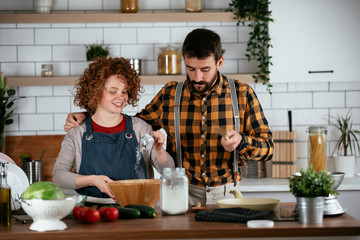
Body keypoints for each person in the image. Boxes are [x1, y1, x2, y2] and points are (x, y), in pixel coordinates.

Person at [64, 28, 274, 206]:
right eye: (190, 69)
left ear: (220, 62)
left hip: (228, 195)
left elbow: (268, 148)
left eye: (205, 69)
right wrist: (88, 117)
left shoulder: (242, 94)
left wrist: (241, 142)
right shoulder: (171, 94)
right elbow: (132, 123)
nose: (197, 77)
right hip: (181, 195)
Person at [53, 57, 174, 204]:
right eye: (113, 91)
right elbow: (59, 176)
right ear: (95, 92)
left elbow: (169, 171)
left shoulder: (140, 128)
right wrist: (92, 180)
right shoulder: (77, 133)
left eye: (125, 91)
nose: (121, 97)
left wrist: (160, 150)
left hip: (137, 208)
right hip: (91, 212)